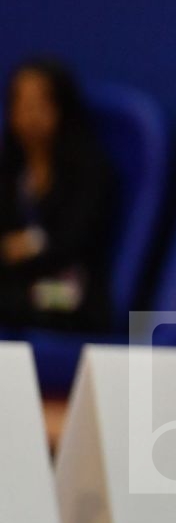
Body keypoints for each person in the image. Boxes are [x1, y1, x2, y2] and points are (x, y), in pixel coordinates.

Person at [0, 58, 117, 332]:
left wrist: (29, 244)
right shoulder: (10, 171)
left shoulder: (90, 169)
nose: (30, 115)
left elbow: (75, 240)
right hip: (18, 283)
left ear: (62, 107)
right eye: (22, 104)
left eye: (40, 104)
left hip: (71, 289)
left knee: (20, 300)